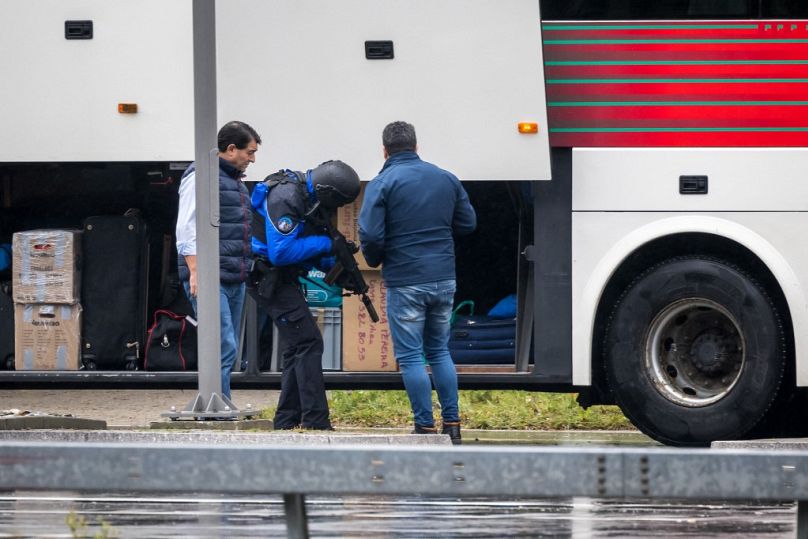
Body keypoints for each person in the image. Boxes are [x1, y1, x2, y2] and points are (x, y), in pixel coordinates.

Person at [358, 121, 476, 444]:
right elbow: (468, 223)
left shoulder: (382, 183)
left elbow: (370, 235)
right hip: (443, 278)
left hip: (406, 280)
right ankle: (452, 424)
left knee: (411, 357)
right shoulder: (445, 178)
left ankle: (424, 427)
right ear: (416, 146)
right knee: (439, 350)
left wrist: (375, 258)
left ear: (384, 150)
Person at [250, 160, 360, 430]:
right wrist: (327, 245)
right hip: (267, 277)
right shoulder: (287, 197)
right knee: (309, 342)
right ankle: (315, 421)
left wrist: (335, 264)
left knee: (298, 345)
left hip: (278, 277)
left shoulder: (306, 197)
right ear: (328, 192)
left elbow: (302, 248)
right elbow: (282, 252)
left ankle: (287, 421)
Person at [175, 120, 260, 402]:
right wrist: (195, 270)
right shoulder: (200, 176)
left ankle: (220, 403)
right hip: (210, 277)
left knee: (226, 346)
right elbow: (186, 227)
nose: (252, 159)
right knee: (223, 345)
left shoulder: (233, 181)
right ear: (231, 149)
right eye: (250, 152)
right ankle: (217, 406)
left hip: (233, 276)